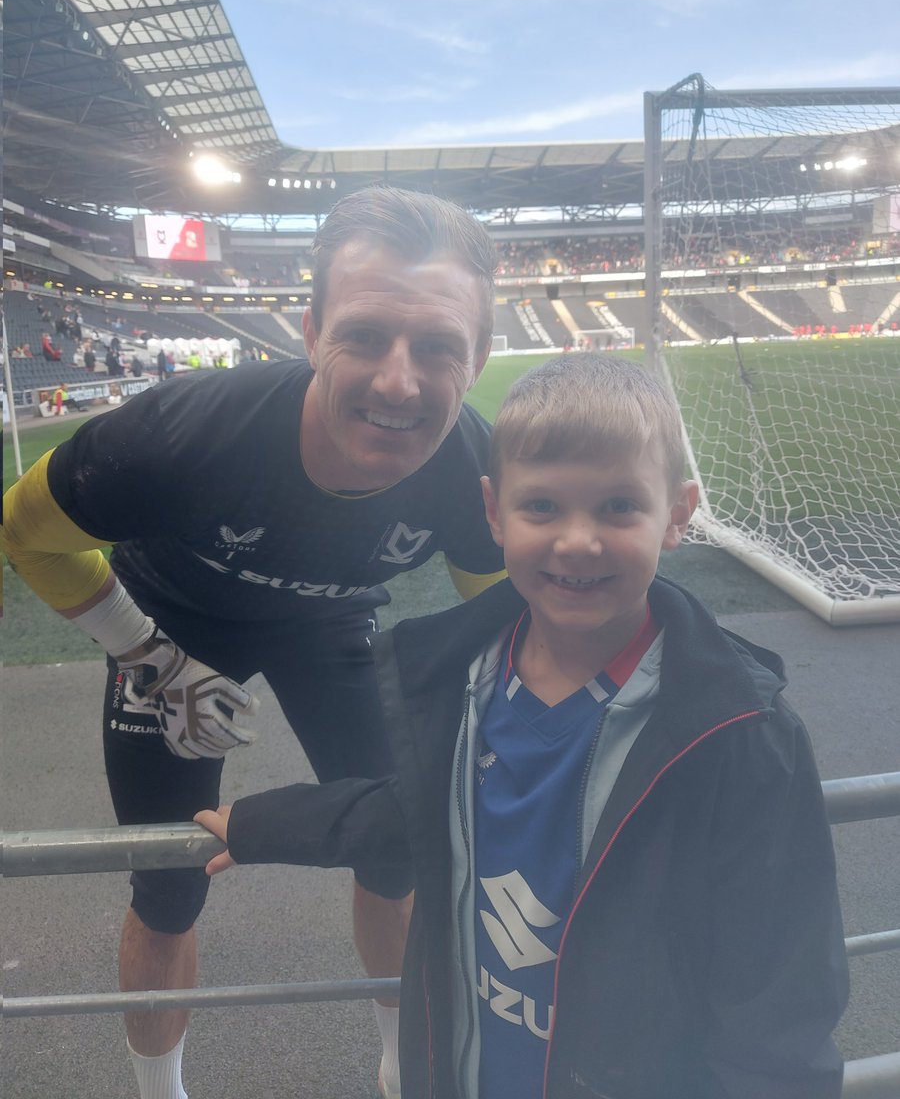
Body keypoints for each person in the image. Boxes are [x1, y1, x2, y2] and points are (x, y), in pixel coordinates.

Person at [197, 354, 848, 1099]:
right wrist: (267, 825)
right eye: (542, 507)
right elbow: (422, 815)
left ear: (677, 513)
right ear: (492, 511)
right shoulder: (455, 676)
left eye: (617, 507)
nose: (577, 540)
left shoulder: (738, 732)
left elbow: (779, 998)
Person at [2, 186, 506, 1099]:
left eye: (437, 347)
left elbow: (512, 631)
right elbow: (23, 528)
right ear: (310, 333)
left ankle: (404, 1071)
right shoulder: (179, 436)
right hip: (171, 616)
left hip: (329, 620)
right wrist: (144, 654)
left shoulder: (477, 468)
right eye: (364, 336)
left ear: (480, 359)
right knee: (168, 888)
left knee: (400, 848)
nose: (399, 383)